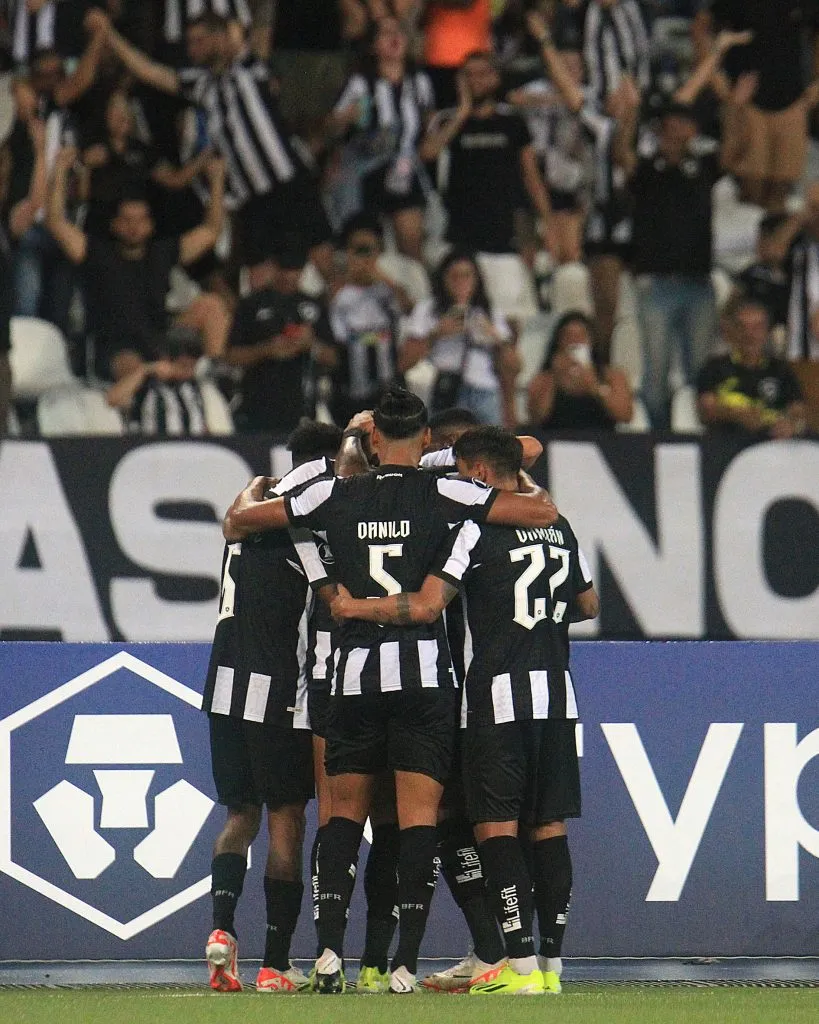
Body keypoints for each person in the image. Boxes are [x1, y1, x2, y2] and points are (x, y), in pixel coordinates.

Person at [222, 386, 560, 994]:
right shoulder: (446, 488)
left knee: (341, 817)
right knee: (418, 822)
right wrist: (488, 470)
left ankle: (328, 956)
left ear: (371, 438)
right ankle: (402, 964)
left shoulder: (330, 490)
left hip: (349, 678)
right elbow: (537, 508)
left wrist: (250, 496)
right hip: (426, 679)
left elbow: (239, 525)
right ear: (426, 440)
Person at [329, 426, 583, 995]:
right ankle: (548, 965)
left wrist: (353, 605)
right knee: (546, 823)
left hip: (488, 695)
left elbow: (423, 605)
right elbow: (586, 603)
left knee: (480, 822)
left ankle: (508, 962)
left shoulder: (470, 528)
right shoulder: (556, 523)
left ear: (479, 473)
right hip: (559, 697)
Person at [90, 9, 334, 279]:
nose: (192, 49)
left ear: (220, 39)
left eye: (199, 41)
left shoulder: (249, 67)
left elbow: (255, 29)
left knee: (324, 261)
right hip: (251, 201)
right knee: (259, 278)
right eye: (190, 42)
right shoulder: (201, 85)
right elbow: (151, 73)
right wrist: (110, 35)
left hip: (289, 183)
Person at [621, 32, 754, 427]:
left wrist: (734, 108)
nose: (683, 130)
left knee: (701, 373)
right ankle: (660, 438)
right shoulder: (648, 170)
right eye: (676, 123)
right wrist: (628, 114)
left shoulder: (701, 168)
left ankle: (701, 437)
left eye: (687, 123)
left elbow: (736, 152)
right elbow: (622, 155)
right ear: (664, 129)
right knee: (657, 374)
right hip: (656, 283)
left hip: (697, 282)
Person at [47, 144, 229, 381]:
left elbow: (211, 231)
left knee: (212, 306)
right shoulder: (97, 252)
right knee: (132, 366)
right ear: (115, 224)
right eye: (127, 220)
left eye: (141, 220)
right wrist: (60, 169)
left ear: (150, 225)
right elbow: (55, 223)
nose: (134, 227)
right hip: (115, 347)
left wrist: (216, 181)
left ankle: (216, 380)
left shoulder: (162, 252)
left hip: (157, 337)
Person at [525, 10, 641, 360]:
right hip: (606, 222)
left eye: (623, 95)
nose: (615, 98)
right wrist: (545, 42)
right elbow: (569, 91)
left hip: (642, 226)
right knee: (602, 302)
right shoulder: (600, 129)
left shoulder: (651, 140)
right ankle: (600, 361)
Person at [419, 49, 551, 259]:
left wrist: (546, 221)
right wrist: (462, 112)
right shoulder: (447, 120)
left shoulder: (512, 122)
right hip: (460, 236)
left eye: (482, 74)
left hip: (506, 235)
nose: (475, 81)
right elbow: (427, 153)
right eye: (468, 75)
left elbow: (531, 175)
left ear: (495, 78)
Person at [327, 16, 435, 259]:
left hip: (404, 166)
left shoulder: (420, 82)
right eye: (386, 34)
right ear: (373, 45)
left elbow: (428, 126)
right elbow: (332, 128)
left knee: (411, 241)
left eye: (398, 32)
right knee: (364, 243)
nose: (395, 38)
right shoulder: (360, 83)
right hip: (366, 168)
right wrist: (346, 118)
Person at [705, 0, 819, 212]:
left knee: (782, 186)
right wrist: (714, 77)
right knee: (751, 184)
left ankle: (772, 240)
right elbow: (705, 26)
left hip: (793, 99)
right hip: (748, 99)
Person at [225, 234, 337, 434]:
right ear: (273, 266)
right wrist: (266, 350)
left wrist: (310, 344)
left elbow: (334, 358)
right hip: (256, 409)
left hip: (302, 410)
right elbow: (231, 356)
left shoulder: (315, 306)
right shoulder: (251, 304)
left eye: (295, 269)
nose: (289, 275)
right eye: (284, 268)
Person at [400, 249, 519, 425]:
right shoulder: (428, 310)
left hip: (484, 389)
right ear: (443, 279)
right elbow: (404, 361)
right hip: (444, 386)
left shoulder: (488, 313)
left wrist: (494, 336)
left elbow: (514, 365)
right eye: (454, 276)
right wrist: (437, 333)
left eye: (466, 276)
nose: (460, 282)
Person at [696, 295, 807, 438]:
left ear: (768, 332)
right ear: (732, 332)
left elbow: (798, 411)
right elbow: (706, 411)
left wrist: (791, 425)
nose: (749, 334)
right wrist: (736, 415)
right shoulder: (714, 367)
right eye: (742, 327)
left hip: (774, 445)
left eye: (757, 327)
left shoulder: (781, 370)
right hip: (728, 444)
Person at [527, 311, 633, 430]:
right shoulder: (544, 378)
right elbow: (536, 417)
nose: (575, 342)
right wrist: (555, 378)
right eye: (568, 336)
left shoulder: (611, 375)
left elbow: (625, 415)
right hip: (557, 440)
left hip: (601, 440)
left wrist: (595, 386)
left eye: (581, 336)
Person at [583, 0, 650, 102]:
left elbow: (640, 50)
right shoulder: (590, 13)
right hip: (599, 92)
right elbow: (591, 58)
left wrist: (635, 85)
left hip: (633, 87)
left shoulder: (630, 9)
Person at [785, 182, 819, 361]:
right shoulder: (799, 247)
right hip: (800, 353)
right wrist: (797, 220)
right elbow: (773, 253)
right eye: (812, 208)